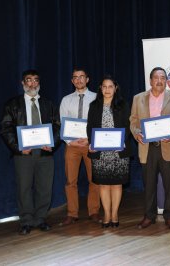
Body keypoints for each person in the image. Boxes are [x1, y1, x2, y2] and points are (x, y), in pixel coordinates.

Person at [0, 69, 60, 235]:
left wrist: (52, 144)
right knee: (24, 188)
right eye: (29, 80)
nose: (32, 84)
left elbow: (57, 126)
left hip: (45, 153)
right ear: (23, 83)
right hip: (23, 154)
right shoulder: (12, 104)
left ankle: (40, 219)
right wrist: (18, 146)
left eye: (35, 80)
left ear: (39, 83)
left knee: (44, 188)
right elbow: (5, 129)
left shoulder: (48, 104)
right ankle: (26, 221)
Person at [130, 67, 170, 231]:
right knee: (149, 185)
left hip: (168, 145)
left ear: (166, 81)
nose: (159, 81)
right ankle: (149, 216)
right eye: (156, 77)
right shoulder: (138, 98)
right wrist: (137, 133)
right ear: (150, 80)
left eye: (163, 77)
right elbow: (133, 121)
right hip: (147, 148)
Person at [87, 75, 132, 228]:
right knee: (103, 184)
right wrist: (91, 142)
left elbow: (128, 126)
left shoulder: (123, 104)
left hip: (119, 150)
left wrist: (123, 142)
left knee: (117, 184)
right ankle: (106, 214)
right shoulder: (94, 105)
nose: (107, 90)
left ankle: (115, 214)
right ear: (100, 88)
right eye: (104, 86)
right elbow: (90, 127)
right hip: (100, 151)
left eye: (110, 86)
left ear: (115, 88)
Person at [59, 68, 100, 225]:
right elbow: (62, 123)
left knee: (94, 180)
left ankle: (94, 211)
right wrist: (69, 141)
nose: (79, 80)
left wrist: (92, 140)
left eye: (82, 77)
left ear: (87, 79)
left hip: (91, 145)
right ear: (72, 81)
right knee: (70, 181)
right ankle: (72, 213)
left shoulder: (97, 98)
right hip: (72, 145)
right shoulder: (66, 100)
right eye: (75, 77)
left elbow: (99, 121)